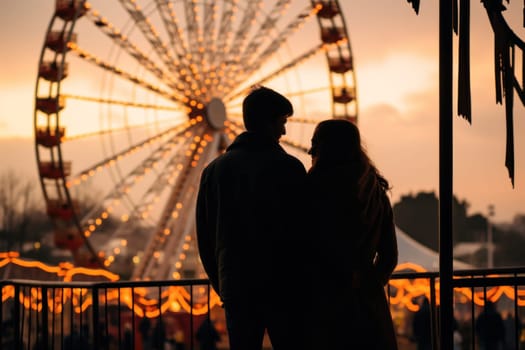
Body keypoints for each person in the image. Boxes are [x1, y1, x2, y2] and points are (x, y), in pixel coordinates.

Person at [196, 86, 308, 350]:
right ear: (268, 123)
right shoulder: (289, 168)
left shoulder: (214, 171)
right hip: (283, 285)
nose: (284, 131)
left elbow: (205, 235)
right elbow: (305, 231)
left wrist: (223, 281)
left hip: (236, 286)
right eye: (282, 122)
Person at [306, 118, 399, 349]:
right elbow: (389, 256)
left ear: (326, 147)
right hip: (369, 305)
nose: (310, 150)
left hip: (325, 304)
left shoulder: (313, 189)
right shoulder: (376, 193)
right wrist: (369, 284)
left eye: (315, 143)